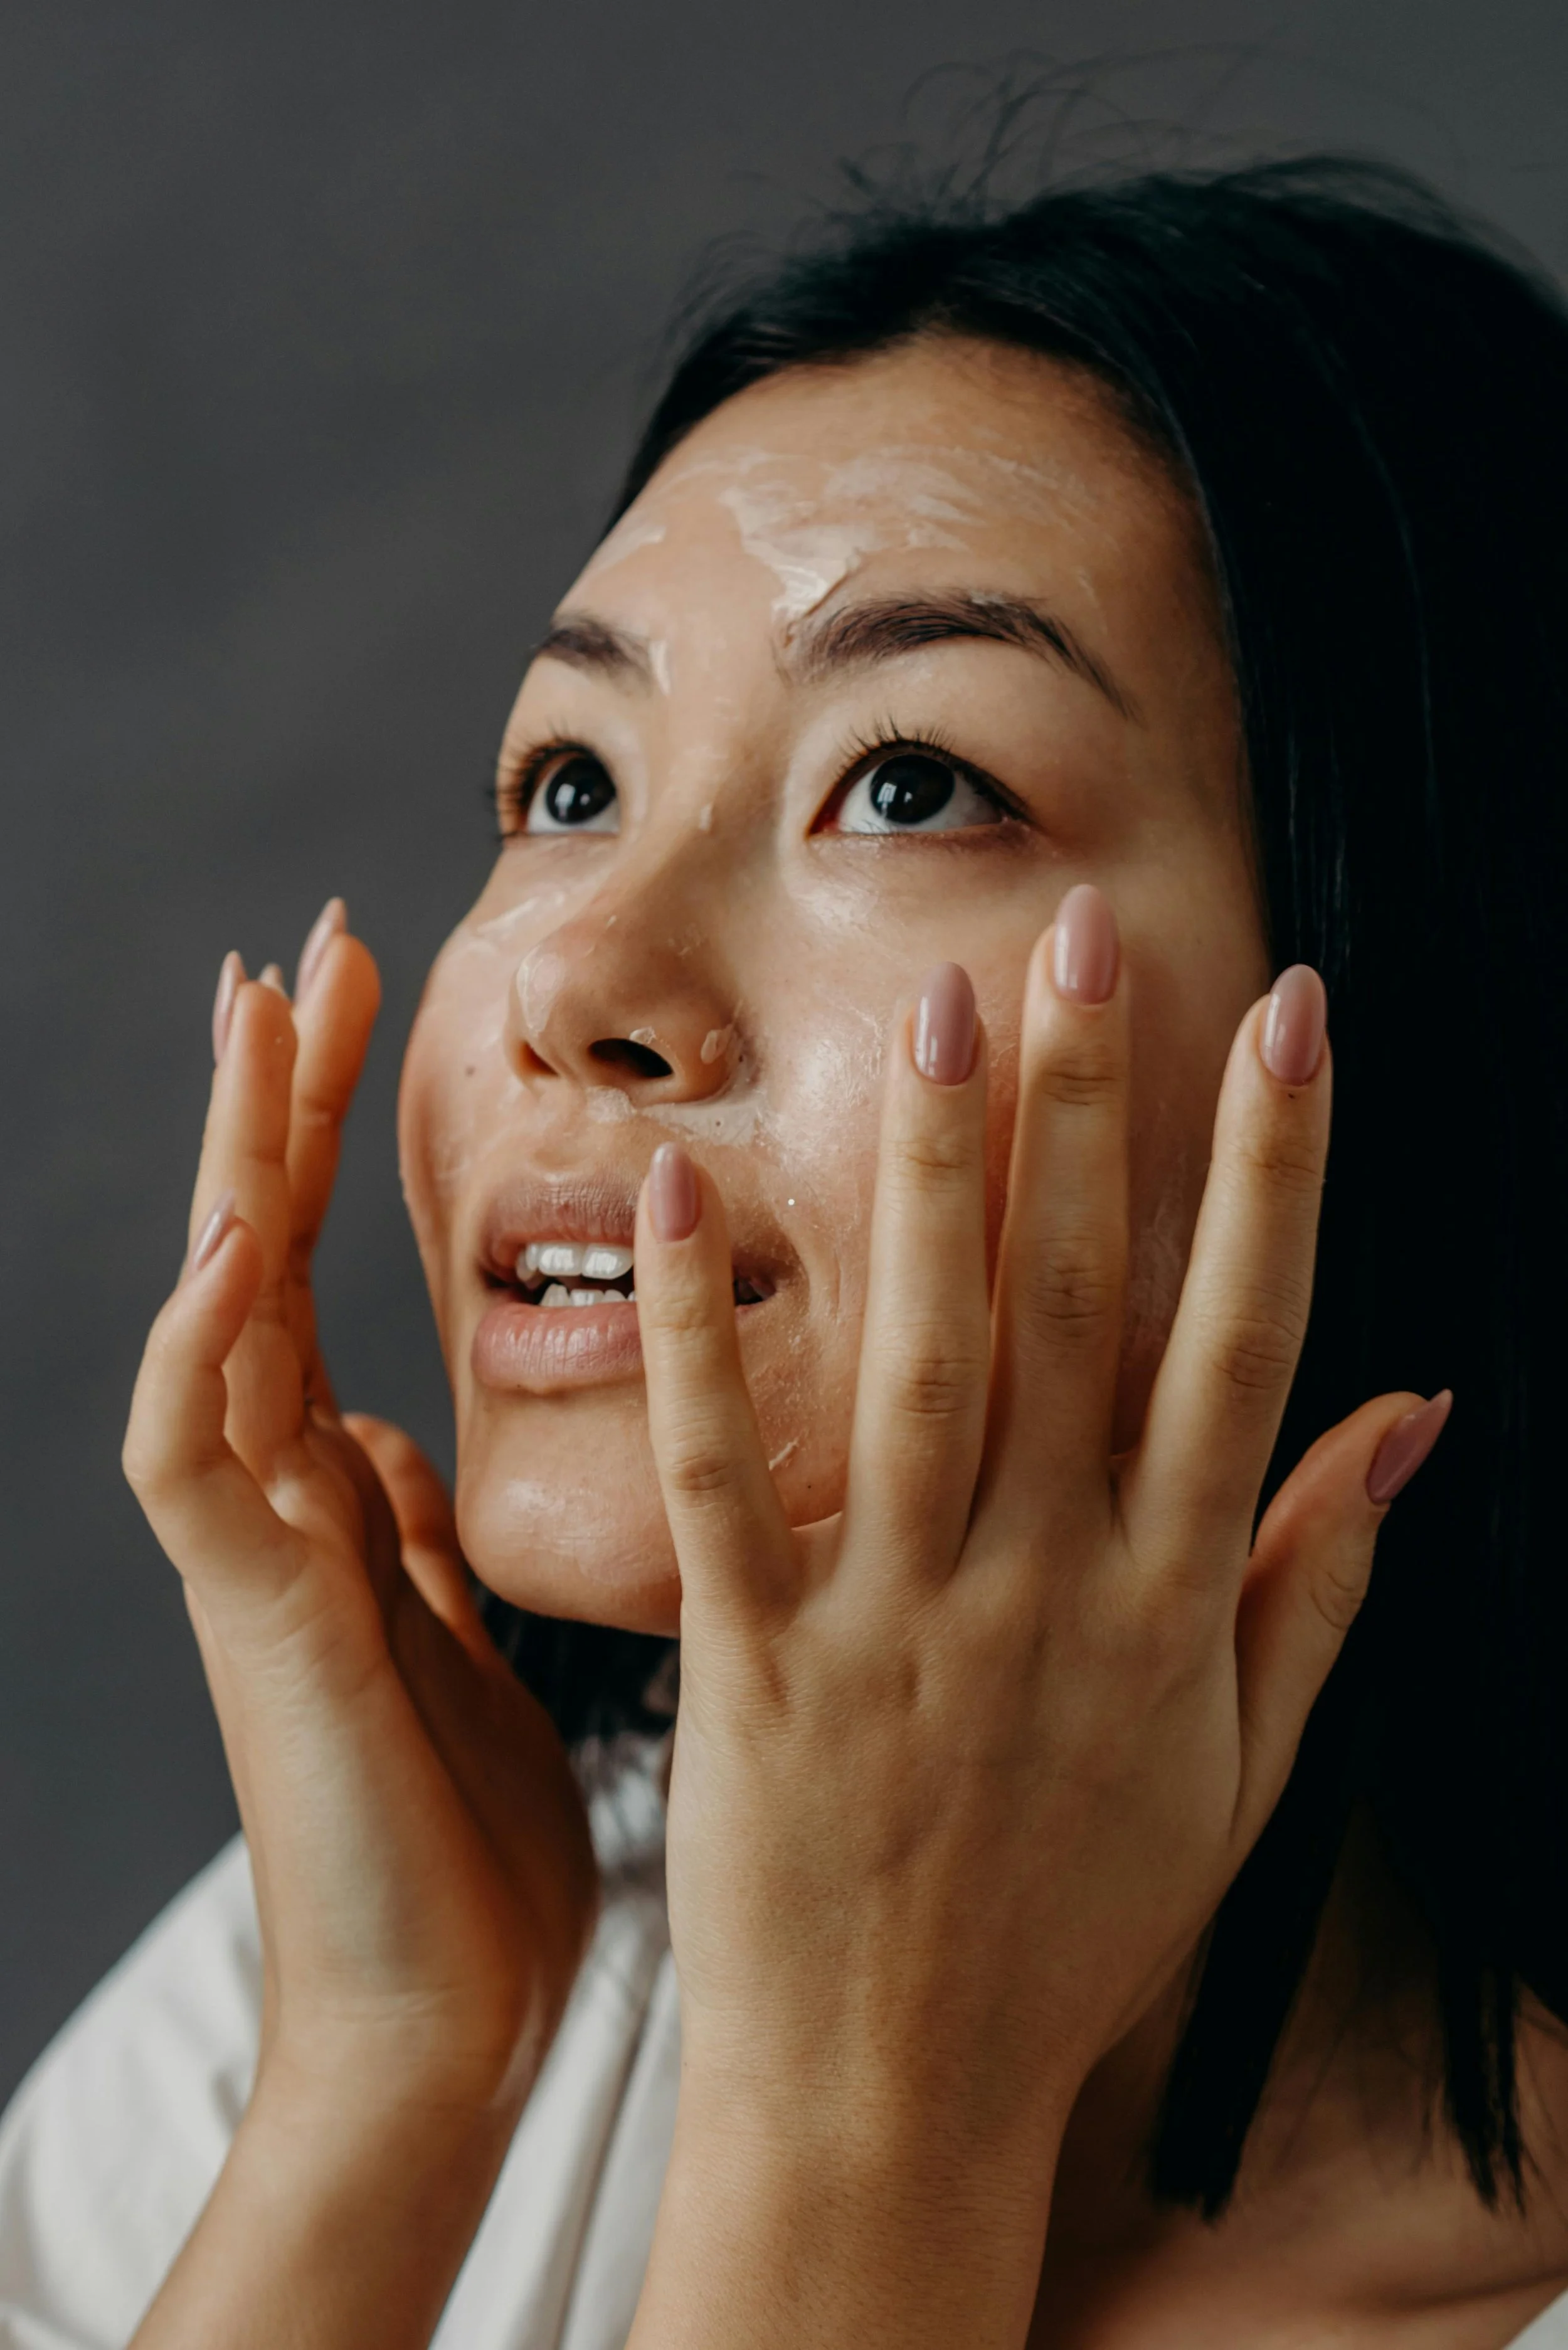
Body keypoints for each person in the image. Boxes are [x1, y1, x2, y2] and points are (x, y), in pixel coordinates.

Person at [3, 151, 1567, 2349]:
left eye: (911, 782)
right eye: (567, 783)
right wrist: (381, 2084)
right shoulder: (339, 1977)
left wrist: (871, 2110)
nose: (574, 977)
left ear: (1434, 1019)